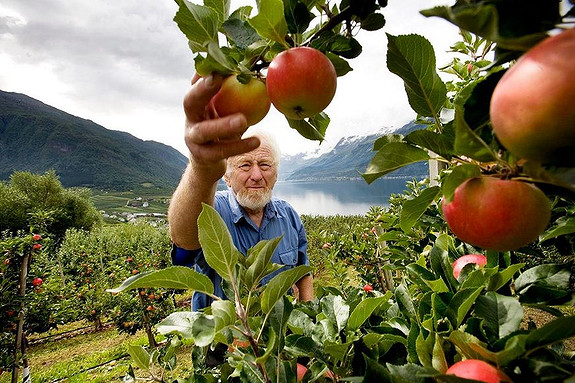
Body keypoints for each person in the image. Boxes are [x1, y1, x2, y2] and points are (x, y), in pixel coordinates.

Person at [168, 74, 314, 311]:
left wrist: (310, 317)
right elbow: (184, 240)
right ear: (226, 174)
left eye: (265, 165)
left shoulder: (289, 216)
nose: (256, 175)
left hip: (278, 340)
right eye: (245, 165)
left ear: (276, 173)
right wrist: (201, 168)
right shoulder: (213, 210)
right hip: (224, 342)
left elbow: (302, 271)